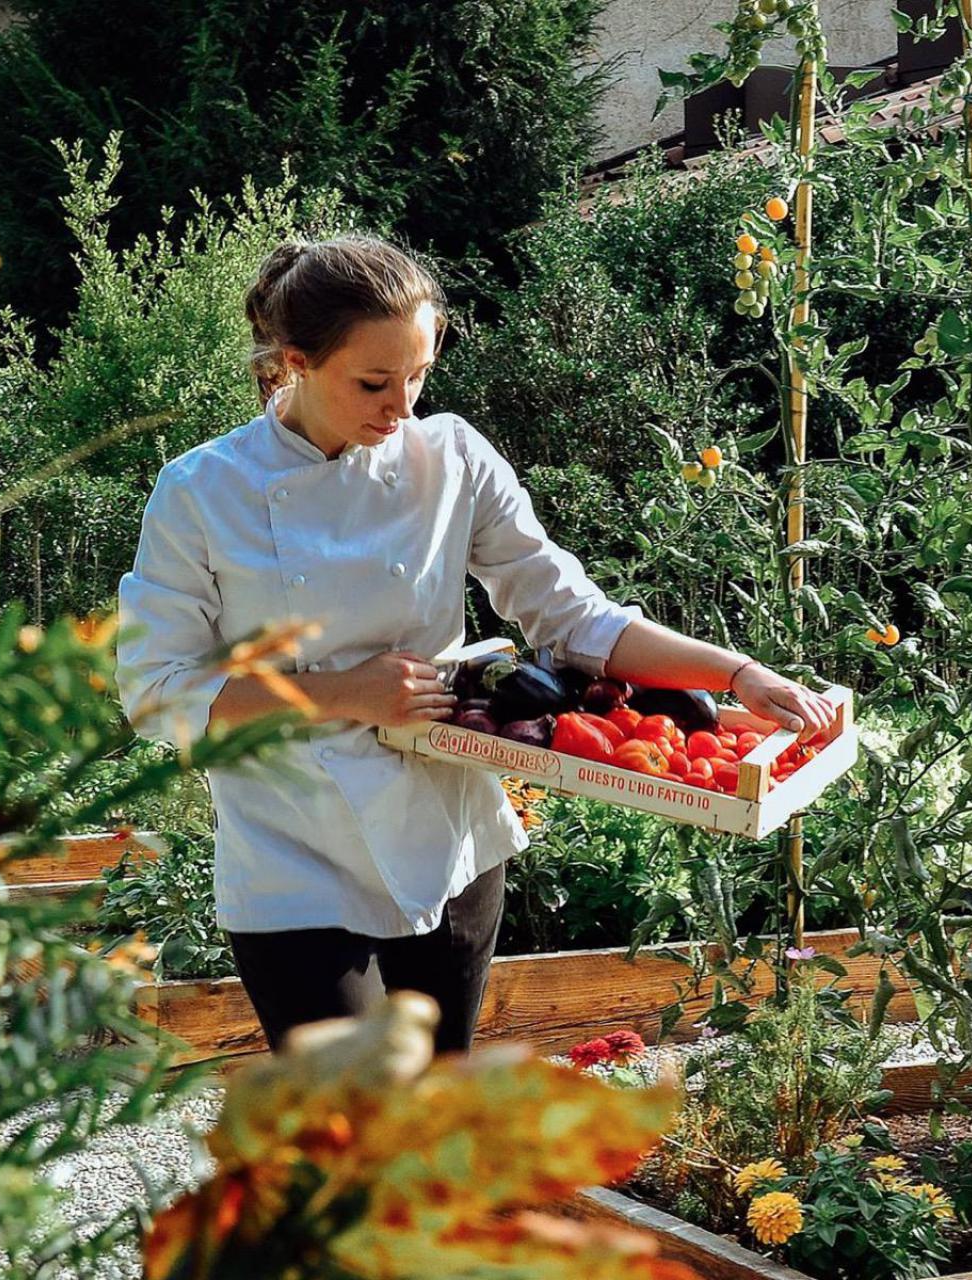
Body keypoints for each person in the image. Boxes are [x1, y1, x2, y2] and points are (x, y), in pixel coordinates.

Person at [117, 234, 835, 1055]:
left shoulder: (451, 456)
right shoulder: (202, 491)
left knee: (446, 1116)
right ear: (294, 362)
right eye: (375, 382)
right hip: (292, 852)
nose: (402, 407)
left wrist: (735, 672)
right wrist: (345, 693)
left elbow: (571, 615)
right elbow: (157, 690)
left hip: (446, 836)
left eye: (420, 375)